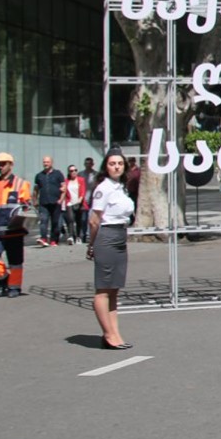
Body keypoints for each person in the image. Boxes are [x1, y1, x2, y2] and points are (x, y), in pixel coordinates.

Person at [87, 150, 135, 350]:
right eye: (112, 163)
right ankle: (108, 334)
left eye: (120, 163)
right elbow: (94, 220)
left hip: (120, 236)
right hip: (106, 236)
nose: (116, 167)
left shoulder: (121, 187)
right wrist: (92, 244)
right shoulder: (103, 188)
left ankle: (115, 334)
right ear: (105, 167)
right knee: (103, 289)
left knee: (114, 288)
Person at [0, 151, 32, 298]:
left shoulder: (20, 184)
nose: (0, 167)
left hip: (13, 229)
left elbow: (27, 207)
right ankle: (4, 280)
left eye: (3, 164)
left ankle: (14, 287)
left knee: (15, 260)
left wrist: (22, 215)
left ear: (11, 165)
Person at [33, 156, 65, 246]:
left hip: (55, 202)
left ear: (51, 163)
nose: (45, 164)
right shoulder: (39, 176)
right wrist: (34, 200)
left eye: (47, 162)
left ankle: (53, 240)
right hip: (43, 203)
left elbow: (64, 188)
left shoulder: (58, 174)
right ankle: (43, 238)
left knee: (55, 222)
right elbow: (36, 189)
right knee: (43, 220)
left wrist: (61, 199)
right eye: (44, 162)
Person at [61, 160, 87, 244]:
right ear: (69, 172)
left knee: (79, 220)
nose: (74, 172)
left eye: (75, 170)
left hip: (78, 203)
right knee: (71, 219)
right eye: (71, 171)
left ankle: (78, 236)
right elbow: (64, 192)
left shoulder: (81, 180)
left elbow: (83, 191)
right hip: (69, 203)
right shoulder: (66, 181)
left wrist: (80, 199)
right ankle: (71, 236)